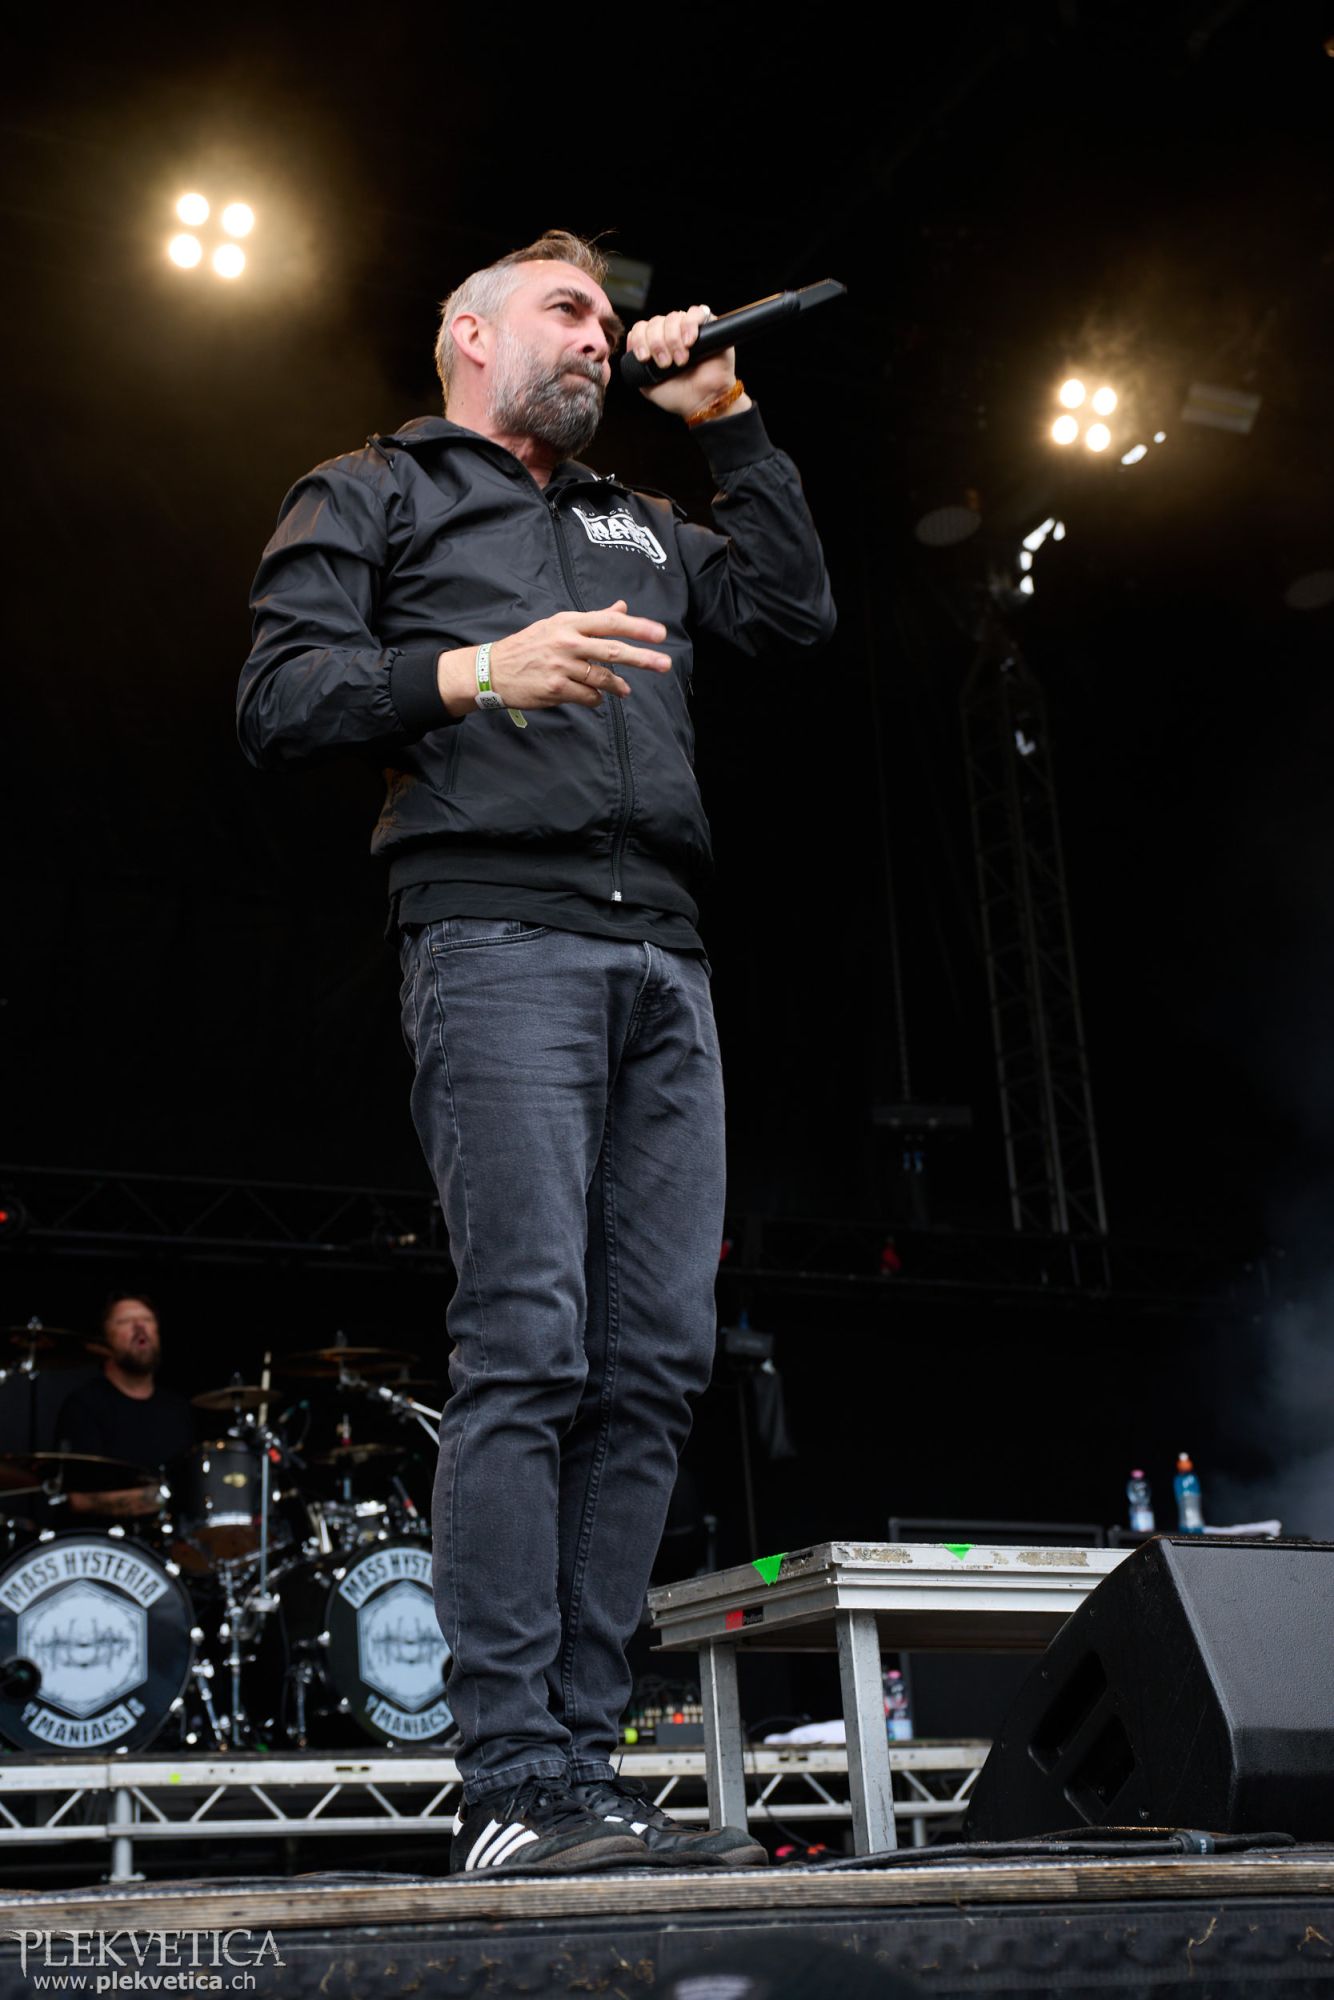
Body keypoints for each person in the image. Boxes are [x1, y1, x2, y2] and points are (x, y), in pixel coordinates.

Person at [239, 229, 835, 1873]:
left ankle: (578, 1770)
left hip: (665, 957)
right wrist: (473, 672)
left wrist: (724, 418)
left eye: (603, 319)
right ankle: (506, 1780)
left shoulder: (633, 520)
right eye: (564, 311)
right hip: (497, 939)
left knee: (653, 1363)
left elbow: (790, 610)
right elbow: (277, 700)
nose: (595, 336)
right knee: (529, 1343)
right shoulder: (375, 490)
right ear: (468, 335)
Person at [55, 1294, 195, 1522]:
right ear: (104, 1341)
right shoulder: (84, 1405)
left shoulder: (178, 1409)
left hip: (171, 1540)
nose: (140, 1327)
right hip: (107, 1540)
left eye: (147, 1320)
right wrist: (162, 1498)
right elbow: (78, 1500)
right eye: (125, 1321)